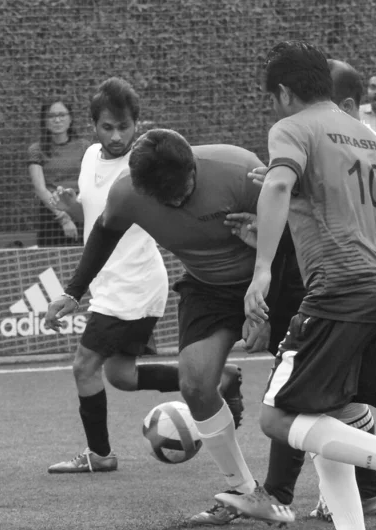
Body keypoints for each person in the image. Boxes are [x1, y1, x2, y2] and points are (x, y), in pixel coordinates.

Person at [216, 41, 376, 530]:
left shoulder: (293, 126)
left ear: (285, 92)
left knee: (277, 417)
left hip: (342, 289)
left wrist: (263, 271)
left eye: (273, 98)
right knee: (329, 414)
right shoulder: (370, 138)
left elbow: (276, 185)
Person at [45, 128, 294, 524]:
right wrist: (73, 291)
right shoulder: (128, 191)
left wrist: (263, 306)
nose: (177, 202)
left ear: (193, 166)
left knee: (300, 391)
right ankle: (247, 493)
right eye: (166, 200)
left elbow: (295, 237)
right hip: (206, 290)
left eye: (184, 191)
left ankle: (359, 488)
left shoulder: (240, 171)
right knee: (195, 383)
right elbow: (105, 233)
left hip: (273, 280)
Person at [45, 79, 243, 475]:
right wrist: (75, 209)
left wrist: (73, 290)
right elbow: (103, 224)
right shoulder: (88, 159)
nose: (117, 136)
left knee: (85, 365)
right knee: (119, 375)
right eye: (107, 127)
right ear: (93, 127)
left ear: (138, 123)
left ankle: (99, 455)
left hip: (132, 283)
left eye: (124, 126)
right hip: (108, 284)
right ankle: (218, 377)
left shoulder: (146, 168)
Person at [27, 99, 90, 247]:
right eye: (51, 116)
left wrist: (75, 209)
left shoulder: (84, 146)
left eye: (62, 114)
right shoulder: (36, 150)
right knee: (51, 266)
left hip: (81, 211)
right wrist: (63, 218)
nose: (57, 120)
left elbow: (91, 182)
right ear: (45, 121)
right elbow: (40, 188)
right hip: (52, 216)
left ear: (70, 118)